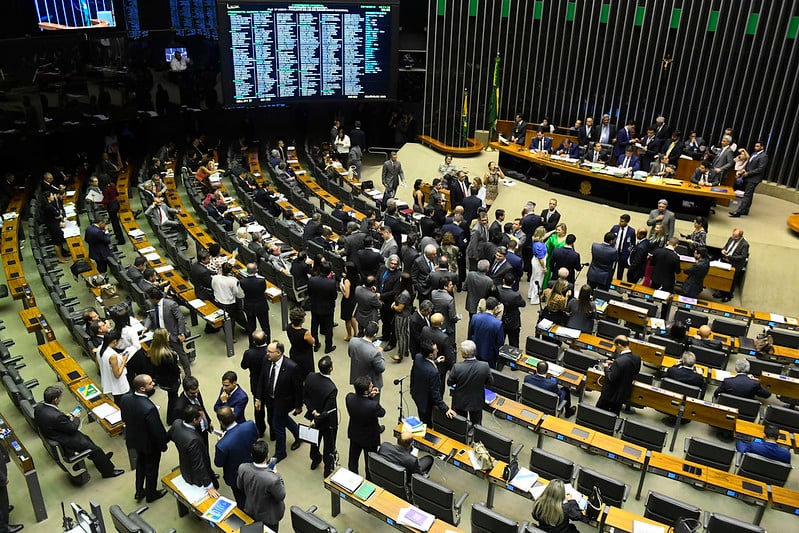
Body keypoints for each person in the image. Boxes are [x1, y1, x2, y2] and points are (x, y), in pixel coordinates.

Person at [34, 385, 124, 479]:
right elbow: (73, 428)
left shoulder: (39, 407)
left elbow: (53, 420)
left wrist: (65, 417)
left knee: (88, 439)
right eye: (60, 397)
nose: (61, 399)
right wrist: (76, 417)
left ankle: (101, 459)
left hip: (54, 433)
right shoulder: (56, 417)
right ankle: (108, 471)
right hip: (65, 439)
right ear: (55, 400)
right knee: (95, 449)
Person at [118, 375, 169, 503]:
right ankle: (151, 494)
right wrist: (163, 445)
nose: (154, 384)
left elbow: (124, 417)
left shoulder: (125, 398)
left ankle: (139, 491)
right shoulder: (149, 408)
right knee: (151, 469)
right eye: (150, 384)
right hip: (149, 445)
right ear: (142, 388)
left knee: (140, 464)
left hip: (134, 440)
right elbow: (157, 430)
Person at [254, 342, 303, 463]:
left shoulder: (292, 367)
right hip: (269, 399)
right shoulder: (266, 360)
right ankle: (299, 434)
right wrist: (258, 398)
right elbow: (262, 379)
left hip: (283, 402)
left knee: (278, 426)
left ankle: (281, 453)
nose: (267, 354)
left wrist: (298, 405)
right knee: (280, 419)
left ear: (279, 353)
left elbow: (298, 388)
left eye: (269, 352)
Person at [169, 405, 219, 499]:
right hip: (195, 477)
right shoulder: (194, 440)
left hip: (185, 467)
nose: (202, 420)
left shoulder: (176, 423)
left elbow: (170, 436)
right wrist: (209, 486)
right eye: (200, 418)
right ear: (195, 420)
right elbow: (199, 465)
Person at [237, 440, 286, 532]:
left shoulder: (242, 467)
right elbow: (281, 496)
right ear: (267, 456)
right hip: (269, 517)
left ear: (252, 455)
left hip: (251, 509)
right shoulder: (273, 479)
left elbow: (239, 486)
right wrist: (277, 475)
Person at [214, 406, 258, 506]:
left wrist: (220, 442)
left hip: (236, 477)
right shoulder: (250, 425)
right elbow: (256, 437)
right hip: (254, 468)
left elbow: (218, 463)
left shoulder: (222, 445)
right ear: (233, 415)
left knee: (241, 500)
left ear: (221, 422)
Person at [303, 355, 338, 477]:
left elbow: (305, 397)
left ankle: (315, 459)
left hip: (314, 417)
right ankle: (327, 469)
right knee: (329, 446)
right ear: (331, 368)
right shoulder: (332, 388)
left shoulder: (310, 377)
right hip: (327, 422)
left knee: (314, 442)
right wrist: (317, 419)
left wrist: (313, 413)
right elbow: (327, 411)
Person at [143, 287, 191, 375]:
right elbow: (150, 316)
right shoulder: (152, 305)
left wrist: (181, 333)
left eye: (149, 298)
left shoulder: (171, 304)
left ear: (154, 298)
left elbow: (180, 318)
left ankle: (188, 374)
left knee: (181, 355)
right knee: (164, 355)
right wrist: (146, 327)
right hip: (160, 335)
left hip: (172, 335)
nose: (148, 300)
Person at [346, 376, 385, 477]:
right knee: (369, 464)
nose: (373, 386)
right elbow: (382, 413)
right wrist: (373, 398)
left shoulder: (349, 398)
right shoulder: (373, 405)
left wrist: (369, 397)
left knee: (353, 462)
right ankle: (369, 481)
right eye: (371, 385)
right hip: (369, 438)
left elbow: (362, 404)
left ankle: (353, 480)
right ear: (366, 391)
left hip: (355, 434)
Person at [411, 342, 456, 425]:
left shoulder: (418, 357)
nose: (438, 351)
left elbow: (421, 367)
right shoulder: (433, 372)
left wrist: (435, 361)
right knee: (427, 423)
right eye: (435, 351)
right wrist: (446, 408)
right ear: (430, 355)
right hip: (426, 402)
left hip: (417, 394)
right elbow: (435, 393)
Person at [447, 340, 492, 424]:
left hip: (460, 401)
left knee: (460, 424)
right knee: (477, 424)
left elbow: (449, 382)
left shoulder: (457, 367)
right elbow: (490, 382)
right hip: (476, 401)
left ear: (465, 354)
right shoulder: (484, 366)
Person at [596, 336, 641, 415]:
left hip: (610, 395)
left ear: (619, 345)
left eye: (615, 346)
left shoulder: (619, 361)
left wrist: (606, 367)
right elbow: (634, 372)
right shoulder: (637, 358)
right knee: (614, 415)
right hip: (623, 394)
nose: (615, 348)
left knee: (599, 414)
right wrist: (615, 365)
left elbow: (611, 378)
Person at [145, 328, 182, 423]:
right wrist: (179, 370)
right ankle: (172, 418)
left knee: (172, 397)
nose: (169, 335)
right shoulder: (169, 355)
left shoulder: (153, 351)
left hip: (162, 381)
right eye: (167, 334)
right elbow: (174, 370)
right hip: (172, 382)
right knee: (173, 399)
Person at [240, 330, 269, 436]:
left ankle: (260, 430)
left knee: (258, 409)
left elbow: (243, 366)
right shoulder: (270, 351)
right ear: (265, 337)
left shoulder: (249, 353)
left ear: (253, 341)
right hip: (269, 384)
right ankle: (274, 432)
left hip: (256, 384)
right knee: (271, 409)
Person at [306, 262, 338, 354]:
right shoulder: (331, 283)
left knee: (314, 327)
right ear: (329, 272)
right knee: (328, 329)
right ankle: (328, 347)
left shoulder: (312, 280)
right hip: (328, 309)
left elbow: (309, 293)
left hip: (315, 307)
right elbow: (334, 296)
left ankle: (316, 345)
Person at [730, 141, 768, 217]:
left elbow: (760, 169)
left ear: (762, 147)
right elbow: (749, 164)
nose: (755, 147)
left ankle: (738, 211)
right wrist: (745, 170)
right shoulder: (754, 154)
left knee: (747, 194)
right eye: (755, 146)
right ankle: (745, 210)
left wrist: (749, 173)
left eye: (757, 146)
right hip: (748, 176)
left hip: (754, 178)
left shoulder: (764, 156)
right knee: (749, 195)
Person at [468, 297, 505, 369]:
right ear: (495, 308)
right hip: (490, 355)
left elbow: (470, 334)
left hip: (476, 351)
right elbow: (500, 342)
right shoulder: (498, 324)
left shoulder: (475, 317)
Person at [348, 321, 386, 390]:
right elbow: (381, 368)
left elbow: (350, 355)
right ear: (374, 335)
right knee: (373, 400)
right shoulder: (375, 352)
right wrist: (380, 353)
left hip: (357, 379)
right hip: (370, 384)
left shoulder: (353, 341)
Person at [97, 329, 131, 402]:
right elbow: (117, 374)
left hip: (109, 380)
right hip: (119, 385)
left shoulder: (100, 348)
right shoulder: (112, 356)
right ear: (115, 341)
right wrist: (124, 361)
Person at [716, 228, 749, 302]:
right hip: (726, 261)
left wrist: (730, 257)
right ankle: (721, 292)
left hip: (735, 265)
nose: (734, 238)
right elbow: (726, 246)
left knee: (732, 281)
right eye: (733, 235)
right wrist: (723, 250)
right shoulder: (731, 238)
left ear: (740, 236)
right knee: (724, 278)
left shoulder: (745, 244)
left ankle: (728, 295)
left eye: (736, 237)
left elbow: (743, 256)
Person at [239, 262, 271, 340]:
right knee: (265, 326)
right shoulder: (261, 281)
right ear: (256, 270)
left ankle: (252, 344)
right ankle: (267, 342)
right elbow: (263, 290)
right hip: (261, 306)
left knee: (251, 327)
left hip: (249, 306)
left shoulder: (242, 282)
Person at [391, 272, 415, 362]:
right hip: (407, 314)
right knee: (406, 334)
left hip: (401, 317)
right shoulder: (410, 289)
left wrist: (393, 306)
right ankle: (405, 350)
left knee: (400, 335)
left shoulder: (404, 294)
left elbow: (400, 308)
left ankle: (400, 354)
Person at [610, 214, 635, 280]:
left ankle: (618, 286)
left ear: (627, 222)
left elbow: (633, 243)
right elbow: (609, 237)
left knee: (620, 271)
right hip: (614, 252)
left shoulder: (631, 231)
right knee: (611, 269)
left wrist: (630, 249)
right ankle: (608, 282)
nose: (620, 222)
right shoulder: (615, 227)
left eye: (622, 221)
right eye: (620, 221)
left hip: (623, 254)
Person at [339, 262, 359, 341]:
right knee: (352, 317)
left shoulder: (347, 281)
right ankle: (356, 333)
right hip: (354, 298)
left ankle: (349, 335)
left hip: (348, 301)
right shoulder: (357, 276)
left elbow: (346, 295)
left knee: (347, 319)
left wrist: (341, 288)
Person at [528, 226, 548, 303]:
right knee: (538, 280)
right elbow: (541, 259)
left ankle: (530, 294)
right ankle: (535, 298)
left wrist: (553, 231)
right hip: (539, 263)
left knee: (533, 277)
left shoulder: (535, 240)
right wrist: (544, 268)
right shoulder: (539, 245)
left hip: (535, 260)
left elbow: (545, 236)